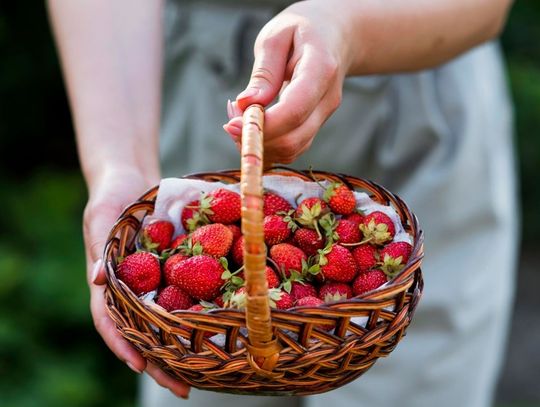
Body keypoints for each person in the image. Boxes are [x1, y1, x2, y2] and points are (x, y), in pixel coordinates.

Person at [48, 0, 518, 406]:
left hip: (417, 62)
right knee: (203, 361)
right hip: (201, 95)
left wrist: (344, 24)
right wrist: (121, 166)